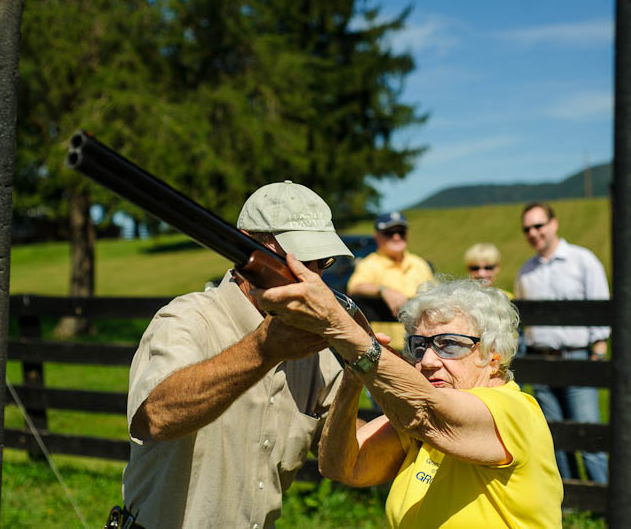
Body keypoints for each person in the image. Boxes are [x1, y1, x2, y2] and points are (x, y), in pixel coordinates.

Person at [120, 180, 353, 529]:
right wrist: (264, 350)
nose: (314, 278)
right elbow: (157, 416)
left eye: (322, 262)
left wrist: (367, 369)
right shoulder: (187, 319)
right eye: (301, 260)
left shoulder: (311, 346)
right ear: (245, 248)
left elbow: (346, 445)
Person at [256, 267, 563, 528]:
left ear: (493, 356)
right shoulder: (419, 421)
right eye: (419, 345)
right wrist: (353, 377)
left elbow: (427, 412)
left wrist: (350, 335)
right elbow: (341, 467)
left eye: (449, 344)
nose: (427, 360)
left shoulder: (512, 409)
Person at [514, 201, 609, 483]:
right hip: (541, 360)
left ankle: (604, 498)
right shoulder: (525, 272)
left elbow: (601, 307)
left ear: (554, 224)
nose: (533, 233)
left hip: (577, 357)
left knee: (587, 433)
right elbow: (524, 318)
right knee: (554, 436)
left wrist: (598, 351)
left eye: (538, 225)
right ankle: (569, 499)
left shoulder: (582, 260)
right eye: (527, 228)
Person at [347, 211, 435, 349]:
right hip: (385, 347)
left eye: (401, 232)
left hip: (419, 347)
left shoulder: (419, 264)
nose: (396, 237)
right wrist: (383, 291)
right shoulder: (370, 264)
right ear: (377, 237)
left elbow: (436, 295)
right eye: (389, 233)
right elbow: (355, 287)